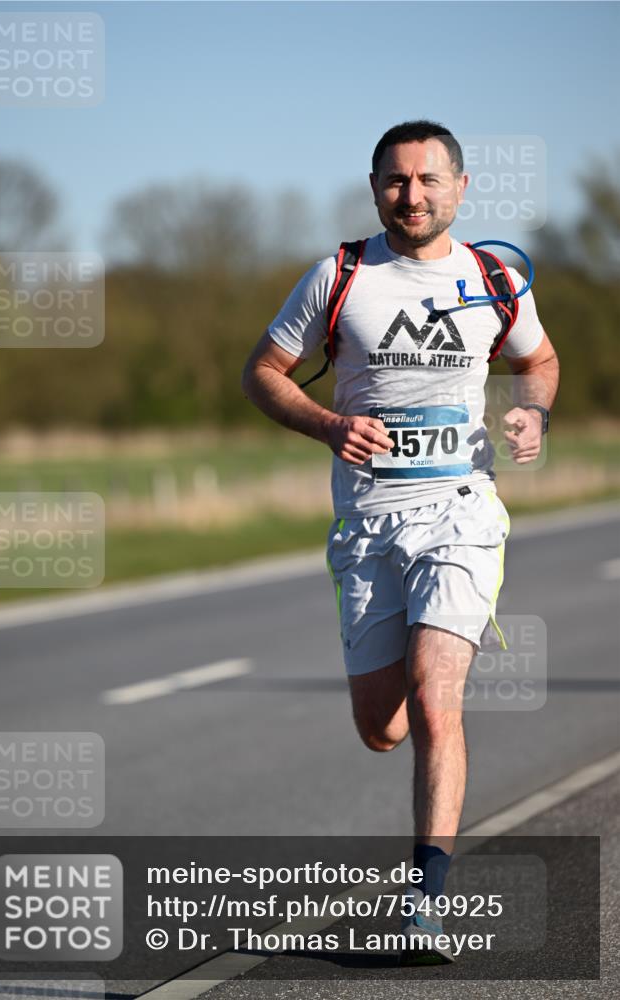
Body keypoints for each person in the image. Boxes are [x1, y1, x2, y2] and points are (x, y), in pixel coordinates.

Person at [241, 120, 559, 962]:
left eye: (426, 180)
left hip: (461, 509)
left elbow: (541, 361)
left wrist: (530, 409)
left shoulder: (493, 277)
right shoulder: (338, 277)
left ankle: (425, 903)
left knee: (433, 691)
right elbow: (262, 372)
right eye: (394, 180)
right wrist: (328, 424)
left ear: (460, 187)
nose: (410, 196)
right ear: (374, 185)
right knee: (380, 727)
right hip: (368, 524)